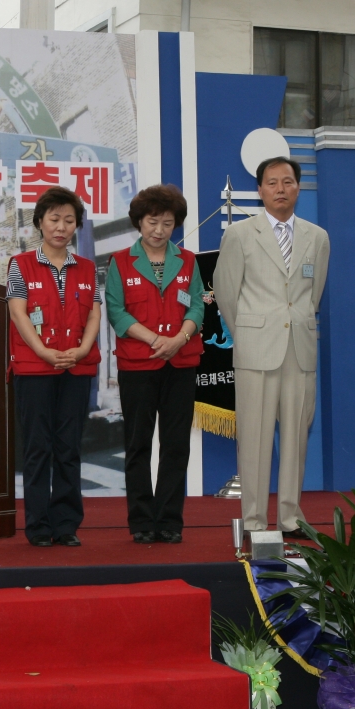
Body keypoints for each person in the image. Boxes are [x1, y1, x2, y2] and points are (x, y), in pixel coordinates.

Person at [214, 157, 330, 540]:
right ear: (260, 190)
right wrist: (251, 330)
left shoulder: (317, 236)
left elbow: (313, 295)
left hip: (299, 347)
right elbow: (227, 293)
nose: (281, 188)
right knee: (255, 437)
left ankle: (291, 517)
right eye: (272, 182)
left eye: (288, 181)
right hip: (256, 349)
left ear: (298, 187)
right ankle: (253, 521)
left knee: (296, 436)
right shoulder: (240, 235)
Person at [104, 184, 205, 544]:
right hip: (138, 364)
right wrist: (153, 339)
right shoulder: (119, 261)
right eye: (152, 222)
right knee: (138, 444)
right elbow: (116, 310)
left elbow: (197, 305)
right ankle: (141, 521)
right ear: (139, 222)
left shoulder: (189, 261)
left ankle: (170, 520)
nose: (159, 230)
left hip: (181, 363)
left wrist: (179, 338)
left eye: (167, 223)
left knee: (176, 444)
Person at [8, 186, 102, 547]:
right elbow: (18, 313)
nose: (61, 227)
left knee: (68, 447)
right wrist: (44, 352)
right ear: (40, 223)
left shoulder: (88, 267)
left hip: (76, 368)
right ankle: (38, 525)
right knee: (37, 447)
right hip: (35, 368)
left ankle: (66, 524)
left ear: (76, 225)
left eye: (68, 220)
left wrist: (81, 349)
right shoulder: (21, 265)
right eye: (54, 219)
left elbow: (94, 313)